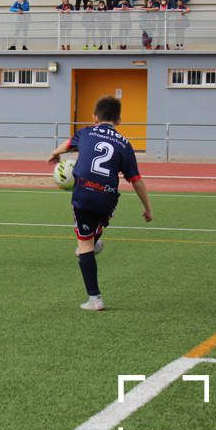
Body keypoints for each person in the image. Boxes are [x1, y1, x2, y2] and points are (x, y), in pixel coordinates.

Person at [47, 96, 152, 310]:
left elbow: (66, 146)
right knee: (92, 233)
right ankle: (93, 243)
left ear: (95, 118)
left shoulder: (85, 132)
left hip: (84, 194)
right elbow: (136, 180)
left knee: (83, 246)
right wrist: (148, 208)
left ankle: (94, 299)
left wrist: (54, 154)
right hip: (108, 197)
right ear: (119, 120)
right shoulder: (125, 144)